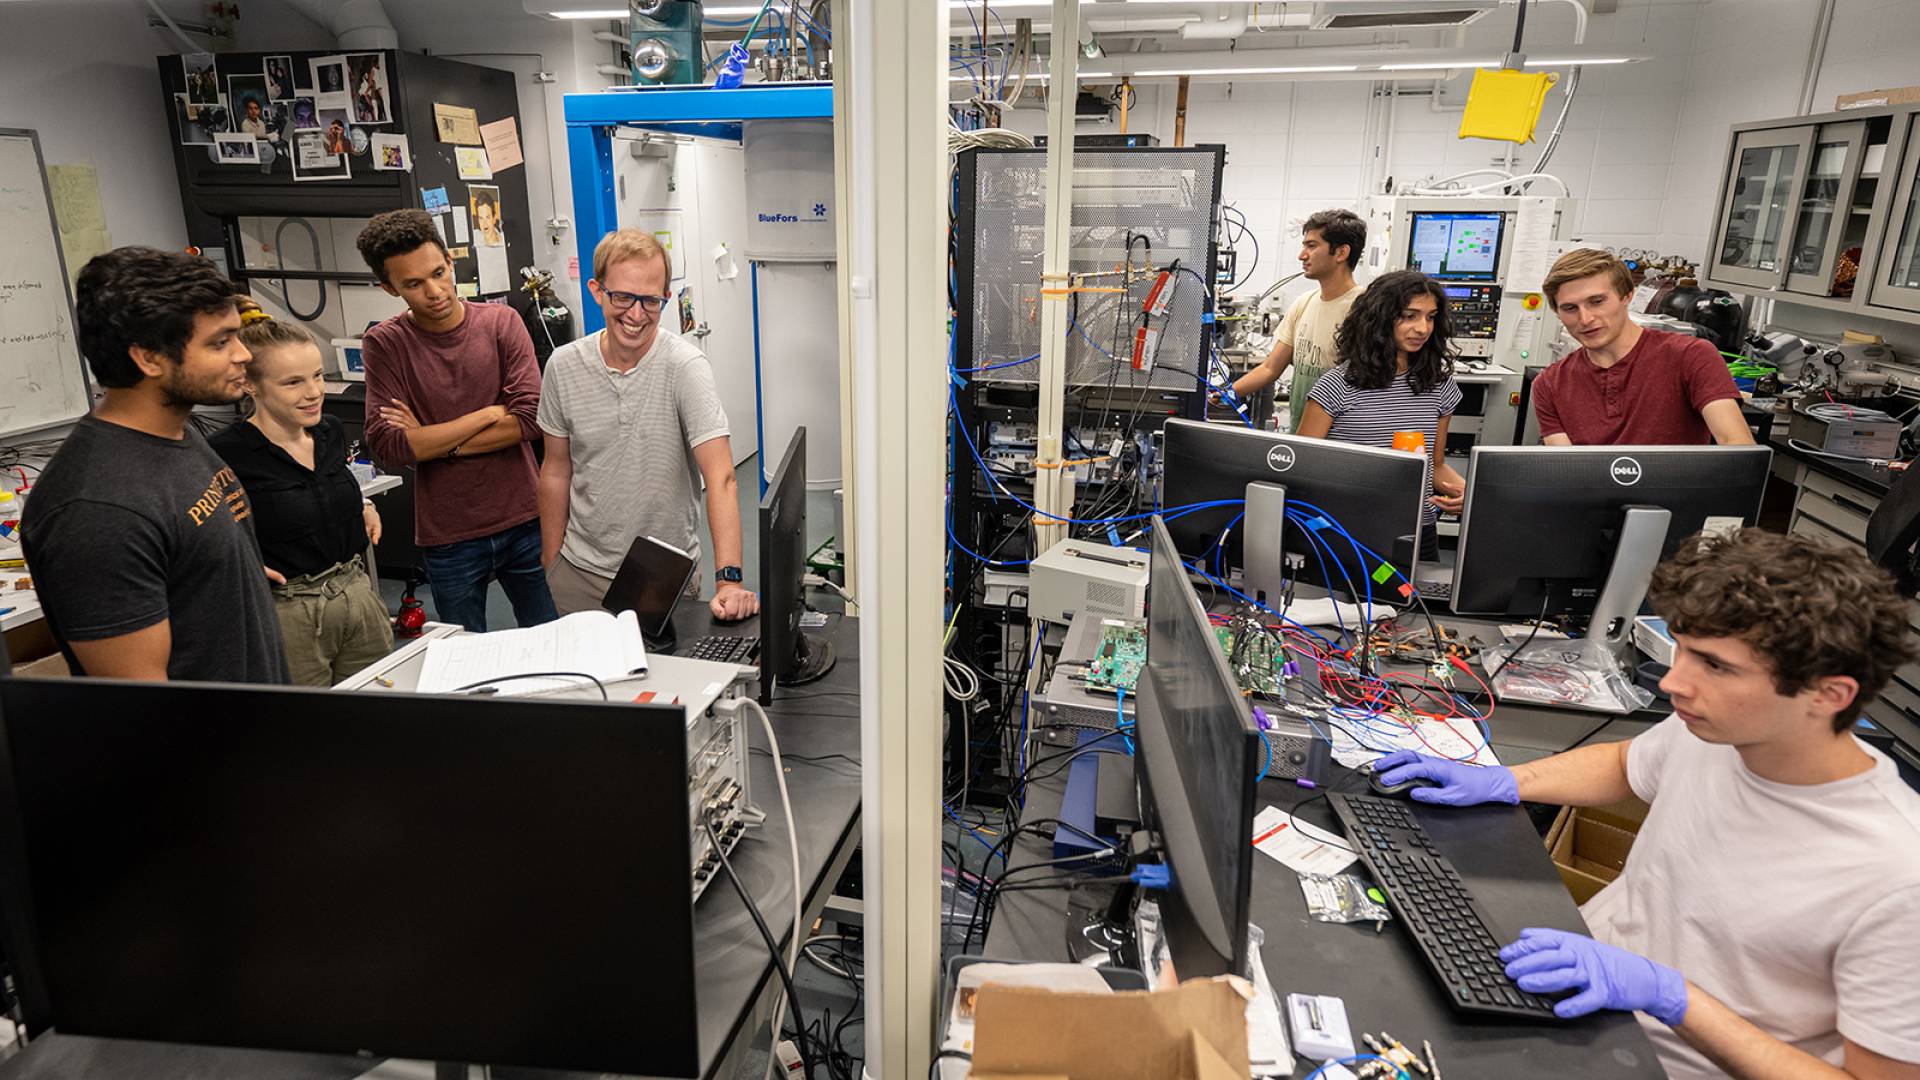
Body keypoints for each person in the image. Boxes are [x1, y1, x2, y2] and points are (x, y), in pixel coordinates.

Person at [1370, 528, 1920, 1080]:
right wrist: (1503, 780)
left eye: (1716, 666)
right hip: (1574, 993)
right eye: (1682, 651)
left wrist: (1673, 997)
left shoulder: (1897, 875)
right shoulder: (1718, 733)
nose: (1675, 682)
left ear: (1830, 694)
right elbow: (1625, 765)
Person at [20, 248, 288, 683]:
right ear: (149, 358)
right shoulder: (98, 509)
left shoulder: (177, 433)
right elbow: (142, 707)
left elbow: (182, 543)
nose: (244, 355)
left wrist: (226, 571)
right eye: (220, 342)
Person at [537, 230, 758, 621]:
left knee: (662, 680)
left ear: (665, 299)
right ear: (597, 290)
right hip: (579, 572)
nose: (636, 315)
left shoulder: (685, 368)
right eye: (622, 296)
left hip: (662, 574)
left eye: (650, 301)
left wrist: (729, 581)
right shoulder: (563, 366)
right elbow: (556, 469)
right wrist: (552, 561)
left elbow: (722, 477)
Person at [357, 209, 556, 632]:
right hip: (448, 533)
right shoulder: (385, 343)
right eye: (413, 284)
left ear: (450, 261)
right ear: (389, 287)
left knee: (553, 639)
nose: (434, 291)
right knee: (465, 662)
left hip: (525, 517)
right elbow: (389, 445)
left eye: (438, 272)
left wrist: (432, 441)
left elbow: (530, 419)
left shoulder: (501, 323)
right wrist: (487, 413)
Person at [209, 299, 393, 686]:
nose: (313, 393)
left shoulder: (326, 431)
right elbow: (200, 531)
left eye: (316, 376)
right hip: (290, 611)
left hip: (356, 593)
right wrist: (235, 563)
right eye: (293, 382)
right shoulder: (225, 453)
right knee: (310, 729)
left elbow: (329, 483)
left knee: (380, 713)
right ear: (249, 385)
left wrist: (360, 502)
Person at [1294, 270, 1464, 561]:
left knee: (1418, 604)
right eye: (1409, 316)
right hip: (1352, 534)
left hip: (1418, 531)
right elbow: (1300, 469)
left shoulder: (1439, 385)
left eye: (1430, 316)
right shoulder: (1337, 386)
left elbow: (1435, 465)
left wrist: (1471, 495)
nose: (1423, 328)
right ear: (1380, 320)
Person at [1532, 248, 1754, 446]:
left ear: (1627, 296)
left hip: (1675, 493)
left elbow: (1736, 444)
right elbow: (1563, 471)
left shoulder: (1691, 356)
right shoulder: (1550, 384)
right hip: (1591, 493)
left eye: (1597, 301)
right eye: (1570, 308)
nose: (1585, 318)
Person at [1228, 209, 1367, 426]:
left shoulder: (1365, 309)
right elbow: (1270, 369)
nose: (1302, 255)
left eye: (1311, 246)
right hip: (1299, 436)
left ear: (1341, 253)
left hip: (1340, 442)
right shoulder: (1303, 303)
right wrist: (1226, 392)